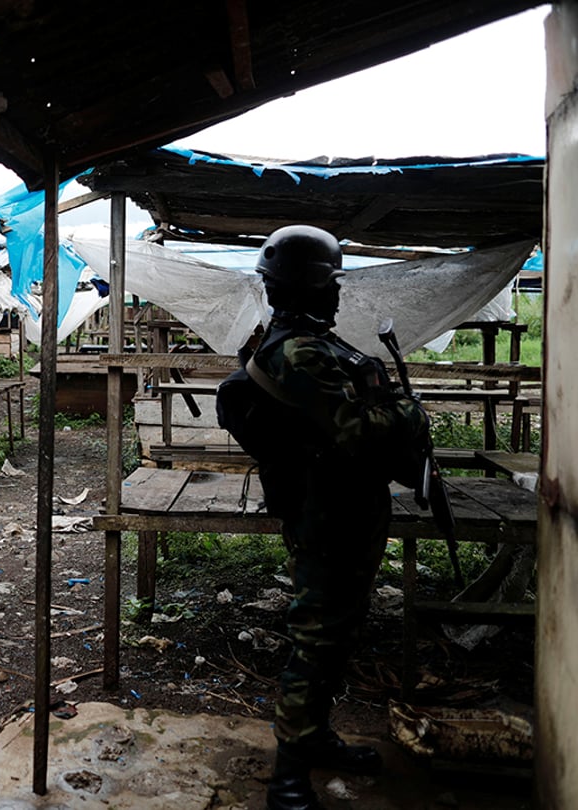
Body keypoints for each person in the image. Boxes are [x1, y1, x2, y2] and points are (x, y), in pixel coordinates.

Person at [217, 225, 430, 810]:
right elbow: (356, 431)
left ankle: (316, 738)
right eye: (330, 283)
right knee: (316, 638)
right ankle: (288, 777)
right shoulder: (297, 351)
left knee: (337, 634)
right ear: (305, 287)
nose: (337, 294)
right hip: (326, 514)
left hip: (349, 508)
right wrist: (409, 413)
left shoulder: (316, 343)